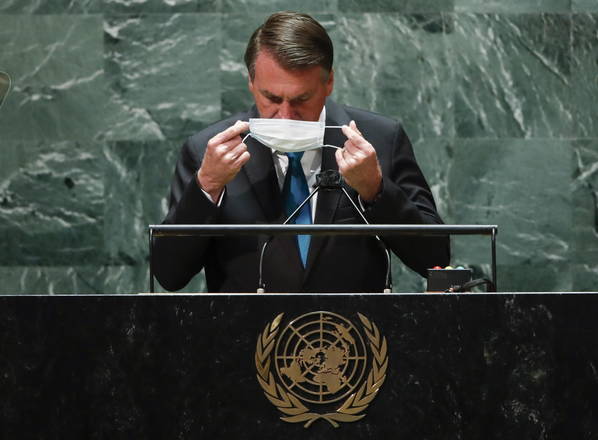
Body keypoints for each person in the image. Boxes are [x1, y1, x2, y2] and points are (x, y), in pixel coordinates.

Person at [154, 11, 450, 293]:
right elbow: (170, 275)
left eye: (301, 99)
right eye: (271, 98)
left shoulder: (380, 139)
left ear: (328, 83)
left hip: (354, 338)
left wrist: (376, 190)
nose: (285, 115)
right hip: (245, 337)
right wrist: (207, 186)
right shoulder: (208, 150)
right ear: (251, 83)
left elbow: (434, 258)